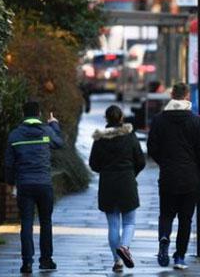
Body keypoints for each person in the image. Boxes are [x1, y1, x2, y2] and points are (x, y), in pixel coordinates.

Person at [147, 82, 200, 270]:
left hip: (168, 175)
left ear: (171, 95)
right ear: (187, 96)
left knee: (166, 214)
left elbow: (151, 147)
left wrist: (165, 161)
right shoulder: (195, 122)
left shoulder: (159, 119)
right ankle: (179, 257)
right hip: (190, 178)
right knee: (185, 219)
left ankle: (163, 238)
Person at [5, 100, 64, 274]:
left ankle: (27, 263)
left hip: (25, 185)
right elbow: (59, 143)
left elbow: (9, 164)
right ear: (39, 114)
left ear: (23, 115)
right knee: (46, 222)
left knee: (26, 223)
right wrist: (54, 125)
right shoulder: (46, 131)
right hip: (44, 184)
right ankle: (46, 260)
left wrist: (10, 184)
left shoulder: (15, 135)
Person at [89, 105, 146, 273]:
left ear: (106, 119)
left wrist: (106, 171)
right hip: (127, 182)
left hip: (108, 184)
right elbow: (141, 161)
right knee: (129, 222)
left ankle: (118, 261)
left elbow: (93, 164)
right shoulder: (130, 136)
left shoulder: (100, 139)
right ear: (121, 118)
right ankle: (125, 246)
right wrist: (131, 173)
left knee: (113, 225)